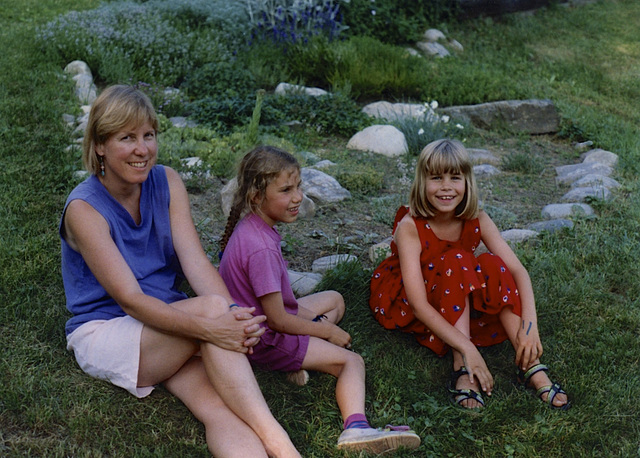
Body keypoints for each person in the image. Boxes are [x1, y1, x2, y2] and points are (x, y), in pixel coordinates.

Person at [60, 85, 301, 457]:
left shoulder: (167, 181)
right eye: (127, 138)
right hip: (109, 331)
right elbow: (131, 300)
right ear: (99, 146)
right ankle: (282, 445)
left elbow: (196, 263)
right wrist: (212, 326)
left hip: (168, 326)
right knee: (210, 310)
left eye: (149, 135)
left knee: (219, 409)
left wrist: (234, 314)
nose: (143, 150)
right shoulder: (84, 209)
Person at [218, 146, 421, 454]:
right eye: (286, 190)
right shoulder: (260, 248)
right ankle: (356, 428)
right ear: (257, 196)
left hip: (264, 319)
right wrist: (327, 331)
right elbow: (278, 320)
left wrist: (316, 320)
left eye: (298, 186)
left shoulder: (254, 229)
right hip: (266, 338)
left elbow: (282, 303)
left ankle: (295, 366)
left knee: (335, 300)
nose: (297, 196)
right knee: (352, 362)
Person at [369, 139, 570, 411]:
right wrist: (469, 349)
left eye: (455, 177)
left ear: (467, 182)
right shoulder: (411, 226)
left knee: (491, 263)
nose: (446, 187)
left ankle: (529, 362)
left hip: (456, 293)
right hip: (416, 301)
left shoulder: (477, 218)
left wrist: (530, 326)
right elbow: (417, 304)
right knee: (458, 259)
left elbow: (517, 271)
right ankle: (462, 363)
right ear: (421, 182)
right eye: (436, 178)